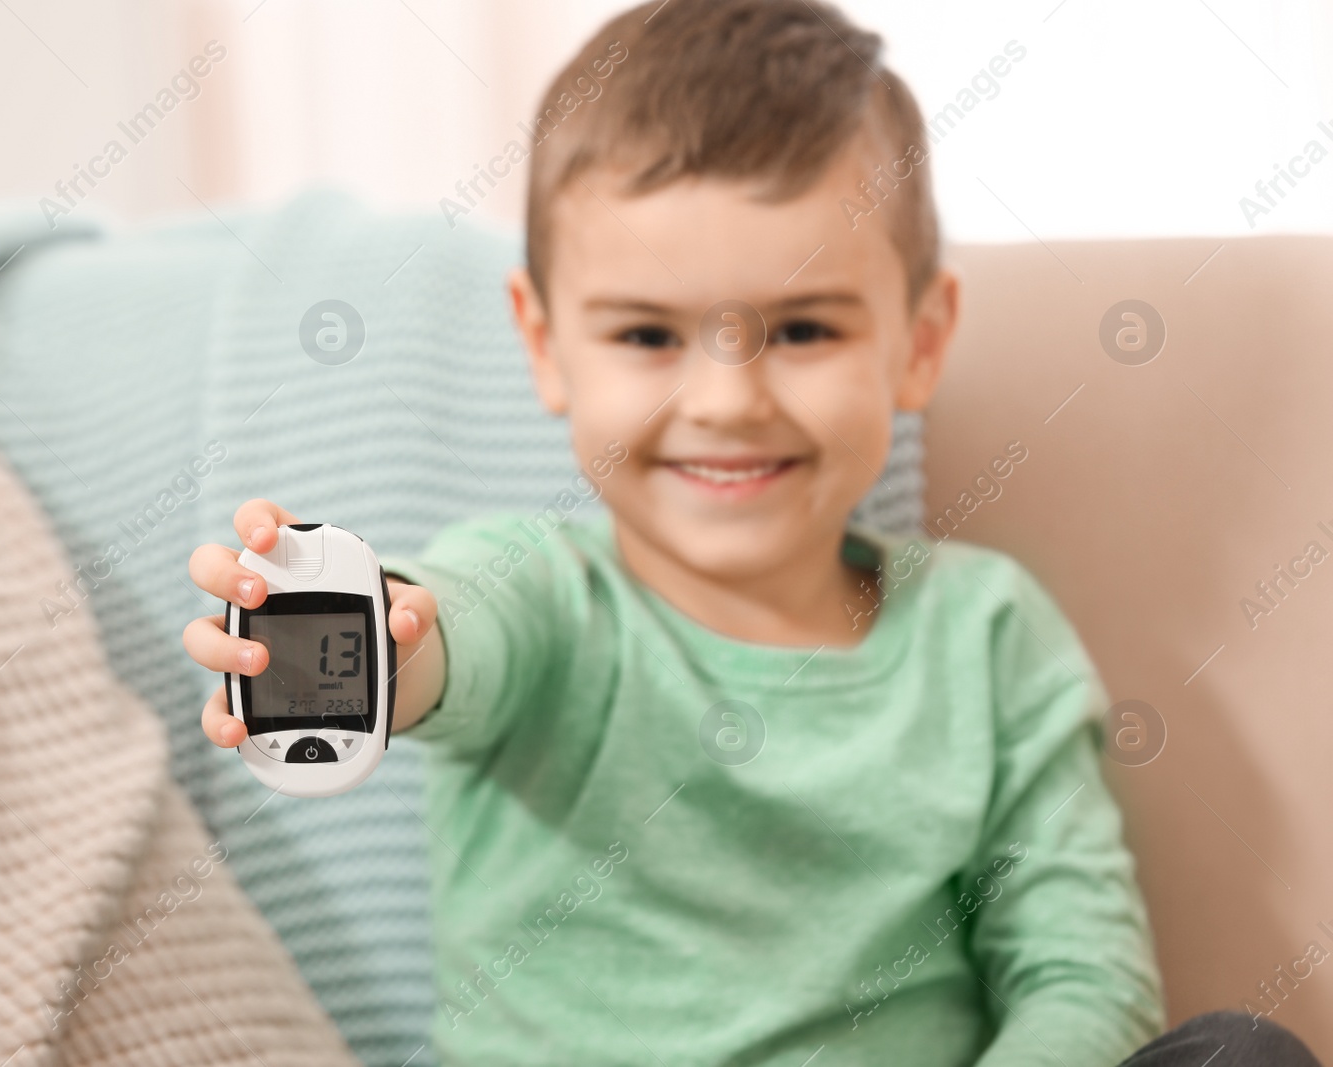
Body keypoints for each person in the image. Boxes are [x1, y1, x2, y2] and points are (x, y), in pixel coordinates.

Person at [183, 2, 1323, 1063]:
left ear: (920, 341)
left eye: (801, 327)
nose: (728, 400)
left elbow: (1082, 974)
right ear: (542, 343)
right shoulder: (533, 588)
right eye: (645, 336)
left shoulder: (985, 634)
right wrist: (375, 641)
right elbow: (450, 637)